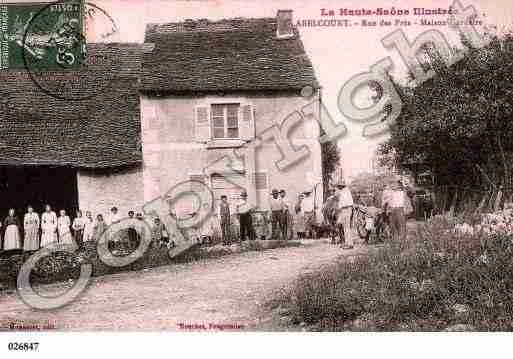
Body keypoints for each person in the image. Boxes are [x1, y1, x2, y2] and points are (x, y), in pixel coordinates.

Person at [334, 179, 354, 250]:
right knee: (345, 227)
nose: (338, 187)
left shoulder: (345, 191)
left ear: (341, 186)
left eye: (339, 186)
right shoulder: (344, 191)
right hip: (345, 209)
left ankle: (349, 244)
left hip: (346, 209)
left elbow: (343, 203)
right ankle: (347, 242)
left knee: (346, 227)